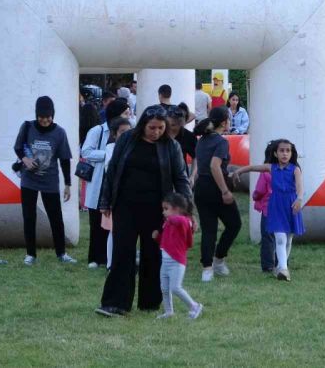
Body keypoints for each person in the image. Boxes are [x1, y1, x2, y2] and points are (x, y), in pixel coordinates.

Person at [95, 105, 191, 317]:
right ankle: (115, 303)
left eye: (160, 128)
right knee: (122, 253)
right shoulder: (126, 139)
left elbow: (181, 178)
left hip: (158, 209)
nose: (156, 132)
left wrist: (186, 209)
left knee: (153, 254)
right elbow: (112, 171)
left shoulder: (171, 146)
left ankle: (150, 302)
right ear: (142, 125)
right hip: (125, 206)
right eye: (152, 127)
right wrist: (105, 200)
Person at [13, 96, 75, 265]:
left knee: (56, 217)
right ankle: (30, 254)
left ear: (52, 115)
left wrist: (68, 184)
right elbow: (18, 147)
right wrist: (25, 160)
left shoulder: (59, 132)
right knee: (29, 217)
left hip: (50, 181)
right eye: (41, 116)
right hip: (29, 180)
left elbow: (64, 159)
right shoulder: (27, 127)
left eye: (48, 116)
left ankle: (61, 253)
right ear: (37, 115)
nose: (45, 120)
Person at [233, 139, 304, 282]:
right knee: (280, 237)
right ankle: (283, 269)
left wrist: (299, 199)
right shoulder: (271, 167)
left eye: (288, 151)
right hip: (276, 205)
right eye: (281, 151)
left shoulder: (295, 169)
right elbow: (253, 167)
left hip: (291, 205)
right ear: (275, 153)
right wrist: (239, 171)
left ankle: (281, 266)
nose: (285, 153)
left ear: (292, 153)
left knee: (288, 239)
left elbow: (300, 187)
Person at [193, 107, 241, 282]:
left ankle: (207, 269)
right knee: (234, 224)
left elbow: (202, 165)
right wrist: (225, 191)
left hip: (201, 187)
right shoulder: (221, 142)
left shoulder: (201, 140)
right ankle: (219, 259)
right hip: (215, 187)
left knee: (208, 229)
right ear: (224, 122)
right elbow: (214, 166)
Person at [81, 99, 131, 269]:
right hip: (99, 177)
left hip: (116, 180)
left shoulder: (128, 131)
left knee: (111, 221)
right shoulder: (98, 130)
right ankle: (94, 257)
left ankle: (108, 256)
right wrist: (108, 154)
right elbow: (86, 151)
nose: (128, 115)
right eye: (125, 112)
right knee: (96, 220)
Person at [154, 192, 203, 320]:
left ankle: (195, 306)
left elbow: (180, 220)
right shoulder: (169, 222)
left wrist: (171, 218)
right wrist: (158, 237)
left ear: (177, 209)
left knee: (175, 288)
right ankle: (169, 311)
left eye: (166, 209)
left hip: (177, 262)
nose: (164, 212)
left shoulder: (183, 221)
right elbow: (167, 240)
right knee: (164, 288)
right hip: (166, 261)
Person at [102, 117, 132, 270]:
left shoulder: (134, 147)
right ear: (114, 134)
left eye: (129, 132)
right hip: (116, 195)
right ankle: (110, 263)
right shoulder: (110, 149)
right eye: (122, 132)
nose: (126, 135)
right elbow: (109, 170)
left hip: (131, 195)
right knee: (113, 231)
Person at [252, 141, 277, 273]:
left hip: (268, 209)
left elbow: (260, 190)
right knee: (281, 237)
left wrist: (255, 197)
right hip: (282, 209)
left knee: (268, 237)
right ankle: (282, 263)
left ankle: (267, 265)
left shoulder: (266, 172)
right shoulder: (288, 169)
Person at [166, 106, 196, 178]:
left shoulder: (188, 136)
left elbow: (196, 157)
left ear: (181, 123)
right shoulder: (160, 132)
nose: (169, 127)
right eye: (167, 124)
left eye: (173, 125)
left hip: (181, 176)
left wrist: (192, 176)